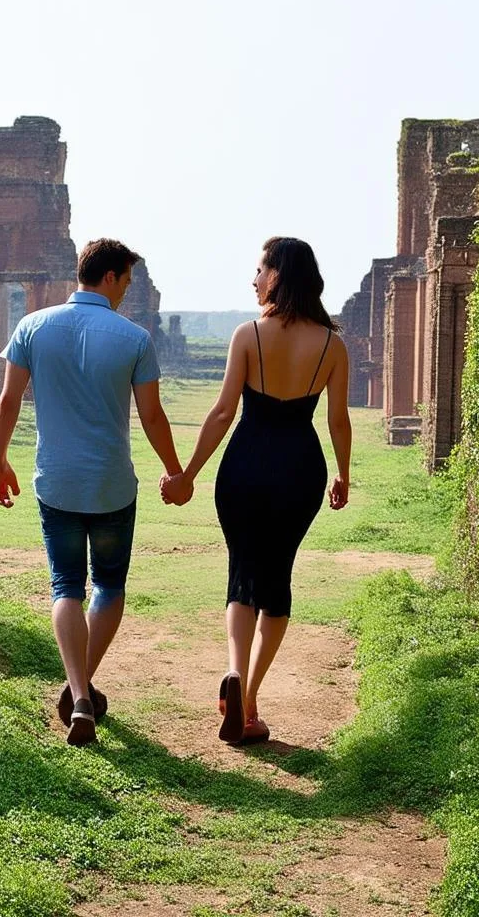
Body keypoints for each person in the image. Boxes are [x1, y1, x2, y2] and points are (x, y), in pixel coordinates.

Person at [0, 238, 183, 746]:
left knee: (65, 588)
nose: (126, 291)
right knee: (110, 588)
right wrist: (175, 471)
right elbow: (153, 415)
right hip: (112, 485)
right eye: (127, 281)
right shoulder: (133, 338)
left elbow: (9, 399)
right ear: (114, 277)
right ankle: (79, 688)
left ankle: (78, 694)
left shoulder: (33, 326)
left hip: (56, 482)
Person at [161, 237, 351, 745]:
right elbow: (337, 421)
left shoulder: (248, 335)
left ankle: (235, 674)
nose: (254, 278)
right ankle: (250, 701)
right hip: (299, 469)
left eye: (260, 269)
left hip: (244, 465)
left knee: (242, 574)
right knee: (278, 580)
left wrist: (187, 475)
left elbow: (224, 412)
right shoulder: (332, 345)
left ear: (279, 276)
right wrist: (343, 474)